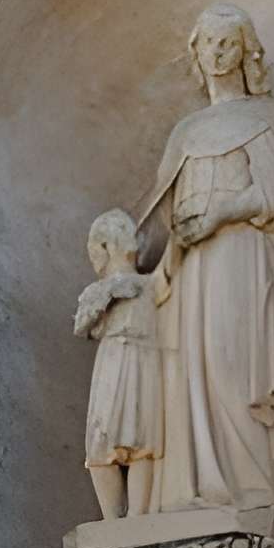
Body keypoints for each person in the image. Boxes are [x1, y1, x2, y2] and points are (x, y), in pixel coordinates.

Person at [137, 3, 274, 548]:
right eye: (207, 44)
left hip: (244, 261)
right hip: (190, 268)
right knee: (188, 373)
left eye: (227, 44)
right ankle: (190, 495)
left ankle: (252, 498)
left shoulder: (270, 118)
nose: (216, 54)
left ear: (246, 52)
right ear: (194, 54)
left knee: (237, 369)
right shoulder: (186, 133)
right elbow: (159, 216)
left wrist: (223, 213)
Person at [73, 209, 162, 519]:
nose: (133, 241)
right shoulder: (97, 291)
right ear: (106, 247)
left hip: (145, 358)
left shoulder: (152, 284)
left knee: (143, 438)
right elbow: (82, 326)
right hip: (111, 360)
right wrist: (108, 294)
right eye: (123, 234)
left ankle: (138, 517)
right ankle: (111, 521)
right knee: (101, 440)